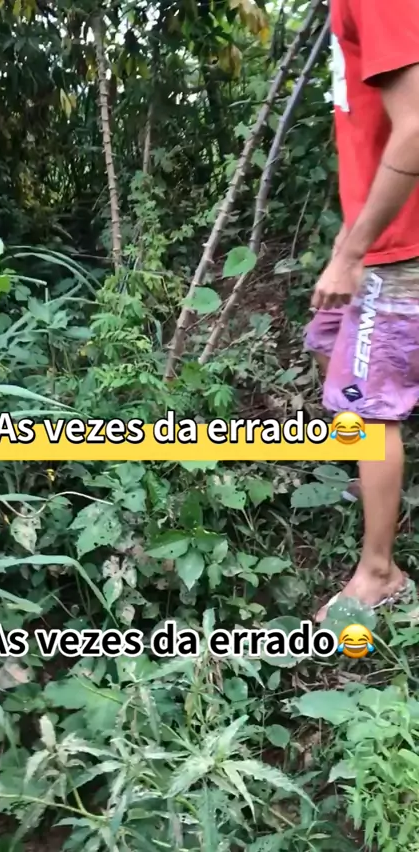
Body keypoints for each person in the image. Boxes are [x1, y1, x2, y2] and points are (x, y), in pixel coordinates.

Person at [304, 0, 419, 622]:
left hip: (401, 245)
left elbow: (416, 125)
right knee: (328, 336)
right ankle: (377, 481)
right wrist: (348, 245)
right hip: (383, 235)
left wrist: (353, 255)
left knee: (367, 406)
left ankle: (380, 572)